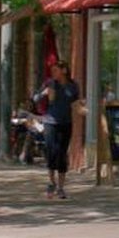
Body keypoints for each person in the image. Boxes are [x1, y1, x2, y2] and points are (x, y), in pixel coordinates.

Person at [34, 56, 81, 200]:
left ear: (64, 71)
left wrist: (84, 111)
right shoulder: (49, 84)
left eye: (56, 70)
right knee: (51, 151)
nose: (53, 73)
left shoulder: (72, 86)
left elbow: (76, 104)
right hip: (50, 122)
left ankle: (61, 187)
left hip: (66, 122)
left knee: (61, 153)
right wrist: (43, 93)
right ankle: (50, 182)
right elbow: (35, 98)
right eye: (52, 70)